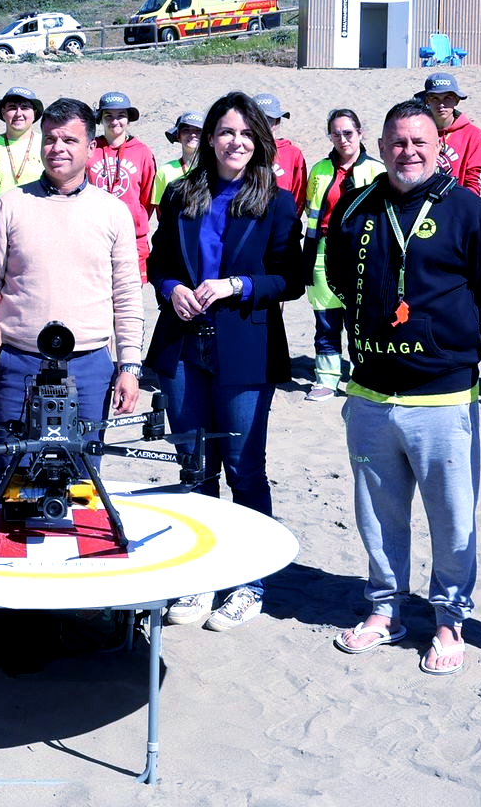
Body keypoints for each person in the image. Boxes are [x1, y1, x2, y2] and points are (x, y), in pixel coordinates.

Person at [325, 100, 481, 677]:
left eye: (419, 142)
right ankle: (385, 610)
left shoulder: (470, 212)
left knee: (452, 518)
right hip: (370, 391)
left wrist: (449, 340)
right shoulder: (356, 205)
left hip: (442, 395)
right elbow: (339, 277)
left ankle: (450, 618)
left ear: (440, 148)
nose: (407, 152)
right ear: (382, 146)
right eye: (397, 142)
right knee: (377, 513)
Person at [148, 92, 305, 632]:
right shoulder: (179, 193)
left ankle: (248, 582)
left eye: (246, 133)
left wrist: (237, 285)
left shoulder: (276, 202)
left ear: (259, 141)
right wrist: (171, 289)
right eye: (226, 132)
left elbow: (291, 279)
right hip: (183, 346)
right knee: (195, 467)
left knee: (243, 468)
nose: (235, 142)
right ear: (209, 138)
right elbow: (159, 263)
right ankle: (200, 576)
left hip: (245, 348)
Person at [0, 96, 144, 476]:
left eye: (69, 140)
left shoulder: (113, 212)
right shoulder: (10, 205)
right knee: (12, 480)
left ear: (91, 147)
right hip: (20, 364)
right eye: (49, 139)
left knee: (83, 483)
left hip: (90, 367)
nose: (57, 148)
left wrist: (129, 365)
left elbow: (127, 296)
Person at [299, 107, 382, 400]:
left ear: (360, 133)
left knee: (362, 320)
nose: (343, 139)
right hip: (324, 251)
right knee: (326, 319)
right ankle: (326, 378)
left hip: (362, 254)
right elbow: (311, 211)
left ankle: (364, 377)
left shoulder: (377, 170)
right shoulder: (320, 169)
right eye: (336, 134)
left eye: (348, 133)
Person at [88, 92, 157, 275]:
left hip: (133, 236)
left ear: (128, 119)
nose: (115, 121)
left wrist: (135, 215)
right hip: (96, 235)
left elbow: (147, 196)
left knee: (131, 289)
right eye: (108, 116)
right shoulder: (90, 149)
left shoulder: (142, 151)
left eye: (121, 115)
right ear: (100, 118)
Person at [0, 86, 45, 222]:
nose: (18, 113)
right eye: (12, 107)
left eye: (25, 107)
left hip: (38, 227)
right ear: (3, 112)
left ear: (34, 113)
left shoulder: (47, 147)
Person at [419, 72, 481, 195]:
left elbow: (475, 179)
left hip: (458, 202)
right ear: (427, 101)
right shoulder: (417, 131)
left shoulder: (473, 135)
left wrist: (463, 202)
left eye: (448, 98)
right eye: (435, 98)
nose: (441, 104)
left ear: (457, 100)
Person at [252, 93, 308, 208]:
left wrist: (289, 217)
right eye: (258, 119)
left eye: (268, 119)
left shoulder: (293, 154)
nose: (262, 124)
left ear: (277, 121)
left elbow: (298, 194)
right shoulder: (241, 150)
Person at [151, 111, 201, 205]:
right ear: (178, 136)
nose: (193, 134)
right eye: (186, 130)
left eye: (198, 130)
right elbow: (160, 209)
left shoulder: (216, 170)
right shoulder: (165, 171)